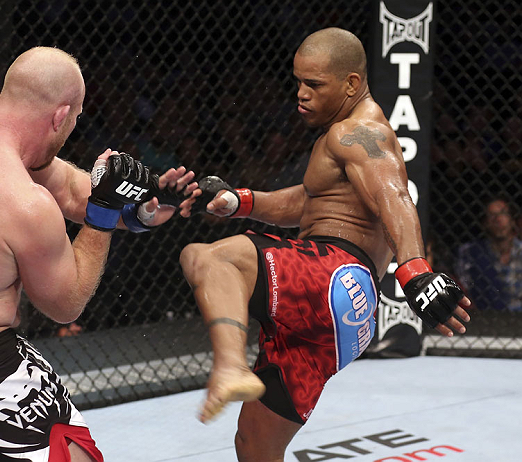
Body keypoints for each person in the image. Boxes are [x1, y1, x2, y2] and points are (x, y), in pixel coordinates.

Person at [178, 28, 471, 462]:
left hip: (332, 273)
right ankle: (234, 369)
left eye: (314, 84)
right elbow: (308, 202)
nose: (301, 95)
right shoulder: (341, 137)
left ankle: (229, 366)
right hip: (343, 316)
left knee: (210, 257)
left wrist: (414, 270)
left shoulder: (359, 131)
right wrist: (239, 201)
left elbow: (393, 195)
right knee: (256, 443)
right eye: (298, 81)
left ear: (351, 83)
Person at [0, 46, 197, 462]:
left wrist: (140, 211)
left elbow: (72, 189)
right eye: (74, 121)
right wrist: (104, 216)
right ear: (60, 115)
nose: (71, 130)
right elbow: (66, 305)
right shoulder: (25, 205)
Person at [456, 196, 522, 311]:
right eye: (492, 215)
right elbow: (465, 289)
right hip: (483, 316)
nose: (498, 219)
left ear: (512, 220)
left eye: (503, 213)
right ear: (485, 223)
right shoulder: (471, 253)